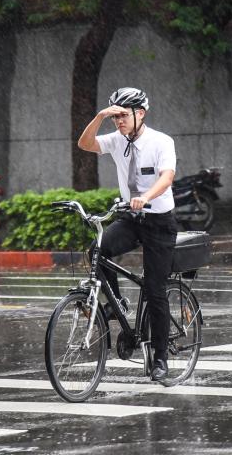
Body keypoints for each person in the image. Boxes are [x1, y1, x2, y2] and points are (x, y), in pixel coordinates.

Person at [77, 87, 178, 381]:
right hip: (132, 218)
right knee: (97, 251)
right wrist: (98, 117)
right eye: (115, 116)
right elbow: (85, 144)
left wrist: (146, 197)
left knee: (155, 290)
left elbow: (167, 177)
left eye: (123, 115)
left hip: (159, 220)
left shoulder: (161, 142)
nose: (118, 121)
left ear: (140, 114)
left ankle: (160, 358)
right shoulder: (116, 140)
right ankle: (116, 303)